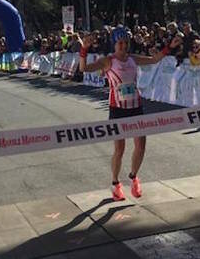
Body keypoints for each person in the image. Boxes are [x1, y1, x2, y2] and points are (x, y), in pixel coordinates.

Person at [78, 26, 182, 201]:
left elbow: (154, 59)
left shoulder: (133, 59)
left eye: (126, 43)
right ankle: (115, 183)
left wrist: (169, 47)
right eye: (120, 43)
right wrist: (84, 49)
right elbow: (83, 69)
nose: (123, 46)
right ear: (114, 44)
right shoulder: (108, 61)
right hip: (117, 109)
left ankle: (134, 177)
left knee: (141, 147)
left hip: (135, 107)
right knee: (120, 149)